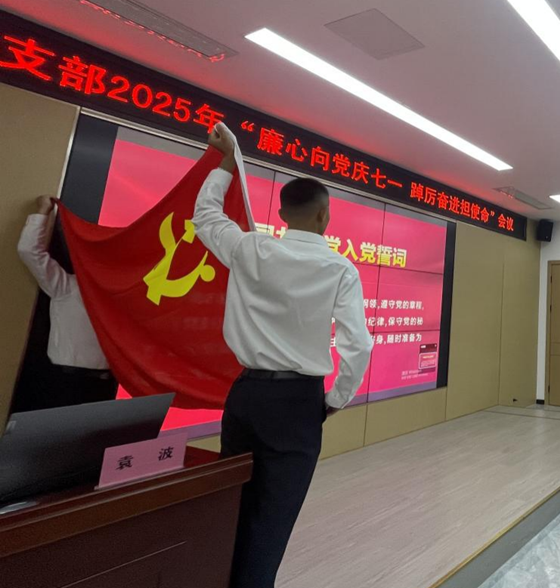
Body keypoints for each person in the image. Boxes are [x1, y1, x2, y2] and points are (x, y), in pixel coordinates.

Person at [194, 125, 373, 588]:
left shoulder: (250, 248)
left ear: (282, 214)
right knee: (272, 519)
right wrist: (336, 399)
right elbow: (358, 344)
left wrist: (226, 165)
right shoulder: (340, 269)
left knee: (232, 504)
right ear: (324, 215)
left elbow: (206, 216)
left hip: (245, 395)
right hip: (298, 404)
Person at [15, 195, 117, 411]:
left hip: (105, 386)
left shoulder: (123, 296)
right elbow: (29, 251)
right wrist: (42, 212)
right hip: (62, 383)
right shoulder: (67, 286)